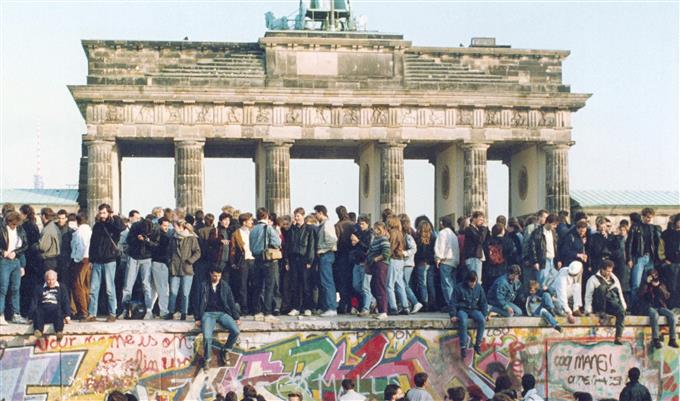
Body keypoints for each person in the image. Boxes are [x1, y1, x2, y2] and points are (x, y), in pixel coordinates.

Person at [195, 265, 240, 370]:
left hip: (222, 313)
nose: (217, 278)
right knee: (207, 337)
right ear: (210, 274)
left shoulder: (225, 286)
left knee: (236, 331)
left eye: (219, 276)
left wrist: (236, 316)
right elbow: (196, 301)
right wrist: (197, 318)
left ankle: (226, 350)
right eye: (215, 276)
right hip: (208, 314)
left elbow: (231, 301)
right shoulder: (203, 285)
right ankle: (207, 359)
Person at [86, 204, 125, 322]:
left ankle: (112, 313)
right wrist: (91, 260)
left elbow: (121, 227)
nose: (102, 215)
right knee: (93, 289)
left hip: (109, 260)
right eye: (101, 213)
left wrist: (113, 218)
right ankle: (92, 314)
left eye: (104, 213)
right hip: (97, 261)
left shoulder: (113, 224)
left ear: (109, 213)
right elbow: (93, 243)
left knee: (110, 289)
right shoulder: (97, 226)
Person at [249, 208, 283, 319]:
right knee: (269, 286)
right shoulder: (268, 228)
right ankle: (267, 312)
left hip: (256, 259)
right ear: (267, 216)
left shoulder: (252, 230)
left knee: (257, 286)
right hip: (268, 259)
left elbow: (250, 246)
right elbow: (277, 242)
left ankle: (257, 311)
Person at [584, 260, 627, 344]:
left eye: (610, 271)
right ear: (602, 270)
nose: (609, 273)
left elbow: (620, 293)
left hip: (610, 303)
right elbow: (588, 296)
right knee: (602, 287)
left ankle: (618, 337)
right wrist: (588, 311)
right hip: (599, 304)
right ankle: (601, 312)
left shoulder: (614, 278)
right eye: (607, 271)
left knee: (621, 311)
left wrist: (624, 306)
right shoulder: (593, 279)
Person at [121, 216, 155, 319]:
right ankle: (125, 309)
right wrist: (137, 239)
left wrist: (146, 240)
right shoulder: (135, 227)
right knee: (128, 285)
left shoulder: (153, 229)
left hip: (146, 258)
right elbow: (129, 240)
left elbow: (155, 245)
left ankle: (149, 310)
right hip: (134, 257)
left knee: (146, 285)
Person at [627, 208, 661, 306]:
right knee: (636, 284)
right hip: (639, 258)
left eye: (650, 217)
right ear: (643, 216)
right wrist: (629, 258)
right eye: (647, 217)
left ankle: (647, 305)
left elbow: (657, 244)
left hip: (650, 258)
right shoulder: (635, 227)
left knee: (649, 282)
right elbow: (629, 243)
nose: (649, 219)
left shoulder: (653, 228)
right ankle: (634, 306)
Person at [449, 270, 488, 357]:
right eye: (471, 282)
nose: (473, 284)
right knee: (463, 321)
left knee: (482, 320)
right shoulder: (458, 288)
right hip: (462, 309)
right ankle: (463, 346)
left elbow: (483, 302)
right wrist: (453, 315)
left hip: (474, 309)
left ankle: (478, 344)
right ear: (467, 280)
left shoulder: (479, 288)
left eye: (475, 282)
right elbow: (453, 302)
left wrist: (485, 314)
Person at [285, 208, 316, 317]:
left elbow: (311, 245)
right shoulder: (291, 230)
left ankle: (308, 307)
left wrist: (310, 260)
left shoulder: (309, 229)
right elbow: (287, 246)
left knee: (306, 284)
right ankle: (296, 307)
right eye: (295, 216)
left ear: (303, 216)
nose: (296, 218)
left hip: (304, 259)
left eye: (298, 216)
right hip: (293, 259)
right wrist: (287, 261)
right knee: (295, 284)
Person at [168, 220, 200, 320]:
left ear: (181, 227)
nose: (174, 228)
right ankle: (171, 312)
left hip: (187, 268)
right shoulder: (173, 238)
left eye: (176, 226)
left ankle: (184, 312)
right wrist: (170, 261)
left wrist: (190, 261)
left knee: (185, 293)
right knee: (173, 292)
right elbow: (169, 251)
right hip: (174, 268)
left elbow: (198, 252)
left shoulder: (191, 238)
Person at [0, 211, 29, 325]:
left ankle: (16, 314)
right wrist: (3, 252)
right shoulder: (2, 229)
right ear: (8, 222)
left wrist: (16, 253)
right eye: (13, 224)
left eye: (16, 224)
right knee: (3, 289)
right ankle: (1, 314)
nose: (14, 226)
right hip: (4, 261)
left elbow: (25, 245)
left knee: (16, 289)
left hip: (16, 261)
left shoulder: (20, 229)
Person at [639, 268, 678, 349]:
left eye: (655, 275)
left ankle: (672, 339)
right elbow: (640, 294)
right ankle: (656, 339)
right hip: (649, 306)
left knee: (672, 315)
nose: (653, 277)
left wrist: (659, 286)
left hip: (660, 306)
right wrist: (646, 283)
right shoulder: (645, 284)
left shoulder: (661, 284)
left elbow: (667, 296)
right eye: (651, 275)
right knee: (654, 315)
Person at [29, 269, 70, 340]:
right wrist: (30, 317)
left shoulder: (62, 287)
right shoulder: (39, 288)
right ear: (45, 279)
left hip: (55, 312)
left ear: (56, 278)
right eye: (49, 280)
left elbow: (65, 302)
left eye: (53, 280)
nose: (51, 282)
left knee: (59, 312)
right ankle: (38, 331)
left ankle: (59, 331)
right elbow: (34, 302)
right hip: (43, 312)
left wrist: (67, 315)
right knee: (38, 311)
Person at [313, 205, 338, 317]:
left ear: (321, 213)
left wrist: (321, 249)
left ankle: (331, 307)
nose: (315, 216)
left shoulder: (327, 225)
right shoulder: (322, 225)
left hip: (326, 255)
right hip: (324, 255)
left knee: (327, 281)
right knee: (323, 281)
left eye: (316, 213)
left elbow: (332, 241)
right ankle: (326, 306)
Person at [526, 214, 561, 292]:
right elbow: (532, 248)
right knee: (542, 284)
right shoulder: (537, 232)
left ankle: (548, 297)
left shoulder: (554, 232)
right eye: (554, 224)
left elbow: (556, 247)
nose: (555, 226)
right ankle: (540, 298)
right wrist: (535, 261)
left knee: (553, 281)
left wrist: (558, 259)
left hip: (552, 260)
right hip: (543, 260)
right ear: (548, 222)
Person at [230, 212, 255, 315]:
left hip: (253, 260)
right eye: (250, 220)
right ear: (244, 222)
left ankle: (253, 307)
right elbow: (233, 249)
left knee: (254, 284)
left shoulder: (253, 231)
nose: (252, 222)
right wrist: (233, 262)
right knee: (242, 285)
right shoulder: (236, 233)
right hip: (242, 261)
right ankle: (244, 308)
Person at [366, 221, 391, 320]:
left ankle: (383, 311)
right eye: (375, 229)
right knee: (373, 286)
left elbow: (386, 253)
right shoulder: (375, 239)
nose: (376, 231)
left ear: (383, 230)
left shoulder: (383, 239)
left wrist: (375, 259)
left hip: (381, 265)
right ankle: (379, 308)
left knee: (380, 287)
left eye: (378, 229)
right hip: (374, 266)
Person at [435, 216, 460, 310]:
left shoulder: (442, 233)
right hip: (454, 261)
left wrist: (438, 258)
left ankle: (451, 305)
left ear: (442, 223)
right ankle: (455, 303)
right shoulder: (453, 234)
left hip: (446, 261)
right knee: (452, 283)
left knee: (446, 284)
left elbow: (440, 246)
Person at [350, 215, 373, 317]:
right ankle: (370, 301)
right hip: (357, 262)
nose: (361, 226)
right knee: (356, 285)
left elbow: (368, 248)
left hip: (365, 263)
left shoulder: (370, 234)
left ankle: (366, 307)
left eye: (363, 224)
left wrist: (358, 241)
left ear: (367, 224)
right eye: (359, 224)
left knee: (365, 287)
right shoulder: (357, 233)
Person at [70, 213, 92, 320]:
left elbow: (80, 246)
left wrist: (78, 258)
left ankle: (82, 311)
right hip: (88, 260)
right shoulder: (89, 230)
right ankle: (86, 309)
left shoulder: (80, 232)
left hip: (81, 260)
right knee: (85, 286)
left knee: (78, 285)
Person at [149, 217, 172, 319]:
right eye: (164, 225)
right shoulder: (164, 237)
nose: (166, 228)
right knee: (163, 288)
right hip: (161, 263)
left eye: (167, 226)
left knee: (153, 289)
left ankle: (148, 310)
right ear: (159, 225)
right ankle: (163, 311)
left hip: (154, 262)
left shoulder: (153, 234)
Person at [400, 214, 423, 314]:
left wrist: (405, 253)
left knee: (404, 285)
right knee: (404, 284)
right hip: (405, 263)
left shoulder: (408, 237)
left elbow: (414, 249)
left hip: (407, 264)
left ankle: (415, 302)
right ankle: (408, 303)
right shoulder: (405, 236)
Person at [386, 216, 409, 315]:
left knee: (389, 285)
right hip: (400, 260)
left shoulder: (392, 233)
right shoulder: (400, 233)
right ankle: (405, 306)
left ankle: (393, 307)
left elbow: (390, 248)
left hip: (393, 259)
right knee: (400, 284)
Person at [335, 205, 355, 314]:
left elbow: (337, 241)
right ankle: (351, 305)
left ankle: (343, 305)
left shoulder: (338, 225)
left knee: (342, 282)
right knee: (350, 281)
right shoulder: (353, 224)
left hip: (341, 256)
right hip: (352, 255)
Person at [414, 219, 436, 311]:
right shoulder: (433, 238)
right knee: (430, 284)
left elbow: (418, 252)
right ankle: (433, 304)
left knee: (422, 284)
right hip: (431, 263)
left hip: (421, 263)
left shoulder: (418, 238)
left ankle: (425, 303)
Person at [463, 211, 489, 285]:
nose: (482, 222)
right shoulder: (469, 229)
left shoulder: (478, 229)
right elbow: (480, 240)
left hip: (477, 257)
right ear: (474, 219)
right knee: (476, 280)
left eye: (483, 220)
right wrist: (484, 228)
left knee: (477, 280)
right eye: (480, 219)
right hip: (473, 257)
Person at [37, 208, 61, 272]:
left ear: (43, 216)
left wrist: (35, 246)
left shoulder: (47, 229)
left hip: (48, 261)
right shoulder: (54, 226)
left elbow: (43, 247)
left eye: (40, 215)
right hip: (54, 260)